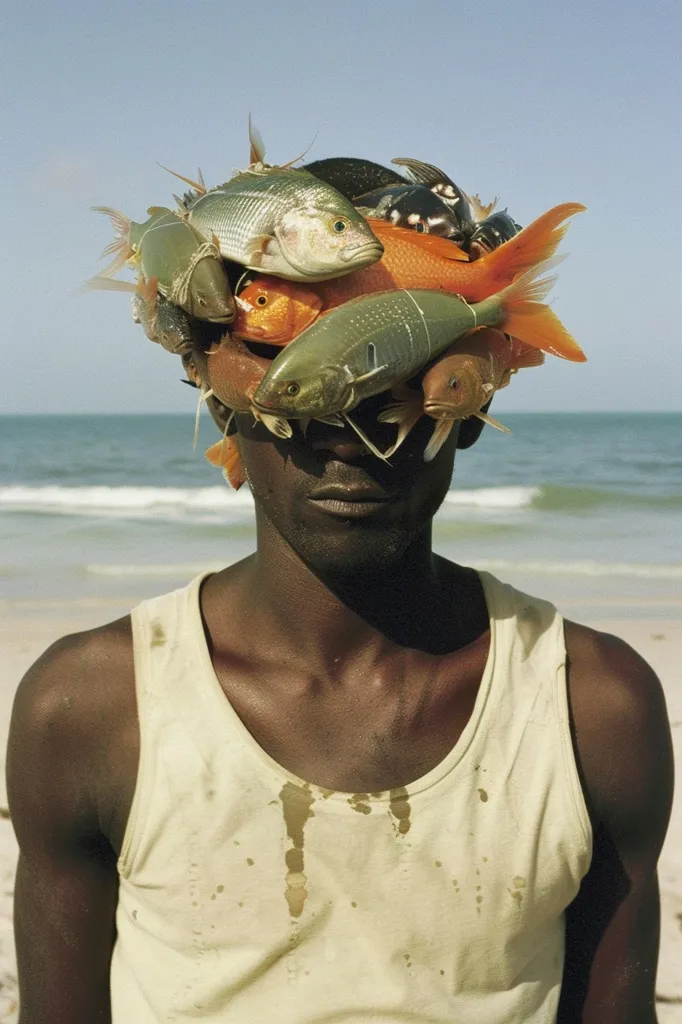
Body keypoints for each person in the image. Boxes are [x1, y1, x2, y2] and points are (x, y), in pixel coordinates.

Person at [7, 164, 674, 1023]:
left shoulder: (592, 708)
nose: (351, 439)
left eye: (397, 382)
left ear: (469, 404)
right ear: (220, 400)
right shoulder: (93, 708)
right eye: (304, 390)